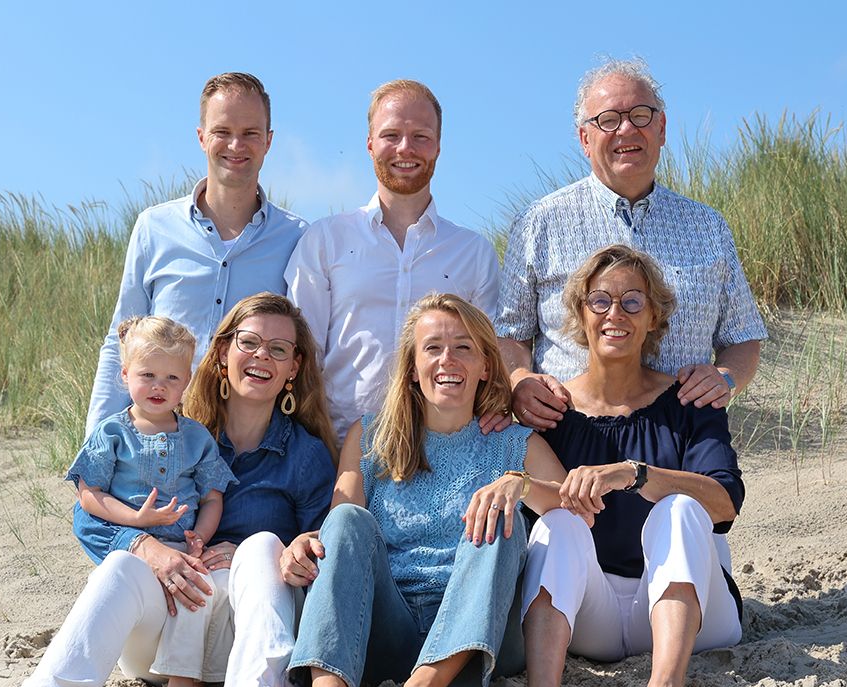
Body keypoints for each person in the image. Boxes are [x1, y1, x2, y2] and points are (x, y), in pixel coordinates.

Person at [6, 293, 337, 687]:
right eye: (248, 342)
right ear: (223, 353)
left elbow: (325, 548)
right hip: (158, 636)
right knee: (123, 563)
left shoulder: (304, 454)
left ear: (293, 368)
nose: (262, 356)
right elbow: (86, 516)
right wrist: (151, 549)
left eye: (278, 349)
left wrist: (276, 550)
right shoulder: (174, 431)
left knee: (261, 545)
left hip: (243, 638)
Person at [283, 293, 576, 687]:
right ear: (412, 366)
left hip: (480, 640)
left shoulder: (514, 442)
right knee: (346, 521)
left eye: (463, 347)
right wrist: (308, 540)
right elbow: (340, 528)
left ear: (484, 365)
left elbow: (577, 515)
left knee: (497, 513)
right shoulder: (371, 435)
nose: (447, 360)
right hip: (388, 630)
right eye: (433, 348)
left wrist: (521, 485)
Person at [501, 245, 745, 687]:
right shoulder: (552, 411)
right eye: (600, 301)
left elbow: (724, 504)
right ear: (580, 313)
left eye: (633, 302)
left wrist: (634, 474)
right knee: (558, 522)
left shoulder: (689, 399)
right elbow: (540, 497)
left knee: (679, 508)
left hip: (698, 617)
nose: (616, 314)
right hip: (595, 617)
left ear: (654, 317)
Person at [494, 58, 767, 433]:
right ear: (584, 139)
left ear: (662, 127)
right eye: (608, 120)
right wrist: (519, 379)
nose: (626, 129)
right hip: (568, 445)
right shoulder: (538, 223)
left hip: (682, 442)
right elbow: (510, 334)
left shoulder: (708, 227)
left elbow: (742, 337)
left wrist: (726, 377)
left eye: (640, 115)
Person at [86, 72, 307, 435]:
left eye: (251, 133)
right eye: (222, 131)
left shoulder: (297, 239)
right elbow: (120, 341)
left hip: (249, 443)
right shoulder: (153, 227)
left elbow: (300, 352)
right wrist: (96, 439)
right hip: (159, 434)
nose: (236, 145)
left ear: (268, 142)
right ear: (202, 137)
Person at [286, 79, 499, 441]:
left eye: (421, 136)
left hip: (442, 454)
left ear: (438, 147)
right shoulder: (325, 240)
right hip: (337, 450)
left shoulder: (473, 253)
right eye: (391, 135)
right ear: (370, 144)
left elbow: (488, 362)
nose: (405, 148)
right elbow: (304, 354)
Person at [68, 315, 237, 687]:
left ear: (187, 382)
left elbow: (213, 497)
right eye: (147, 375)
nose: (159, 387)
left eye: (172, 378)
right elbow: (88, 495)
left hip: (182, 543)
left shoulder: (197, 438)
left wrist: (202, 538)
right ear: (125, 375)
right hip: (133, 550)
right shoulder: (112, 433)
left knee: (197, 587)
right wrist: (137, 521)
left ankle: (184, 679)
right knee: (126, 583)